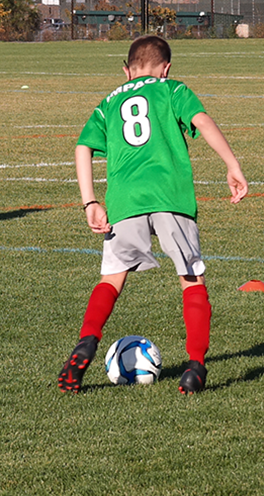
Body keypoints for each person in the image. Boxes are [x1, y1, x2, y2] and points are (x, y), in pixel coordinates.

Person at [57, 34, 248, 394]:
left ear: (126, 71)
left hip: (125, 202)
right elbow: (203, 121)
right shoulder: (173, 89)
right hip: (170, 196)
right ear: (167, 68)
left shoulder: (108, 102)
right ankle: (195, 366)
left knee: (111, 279)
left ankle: (86, 343)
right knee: (191, 279)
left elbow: (83, 146)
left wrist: (90, 202)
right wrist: (232, 165)